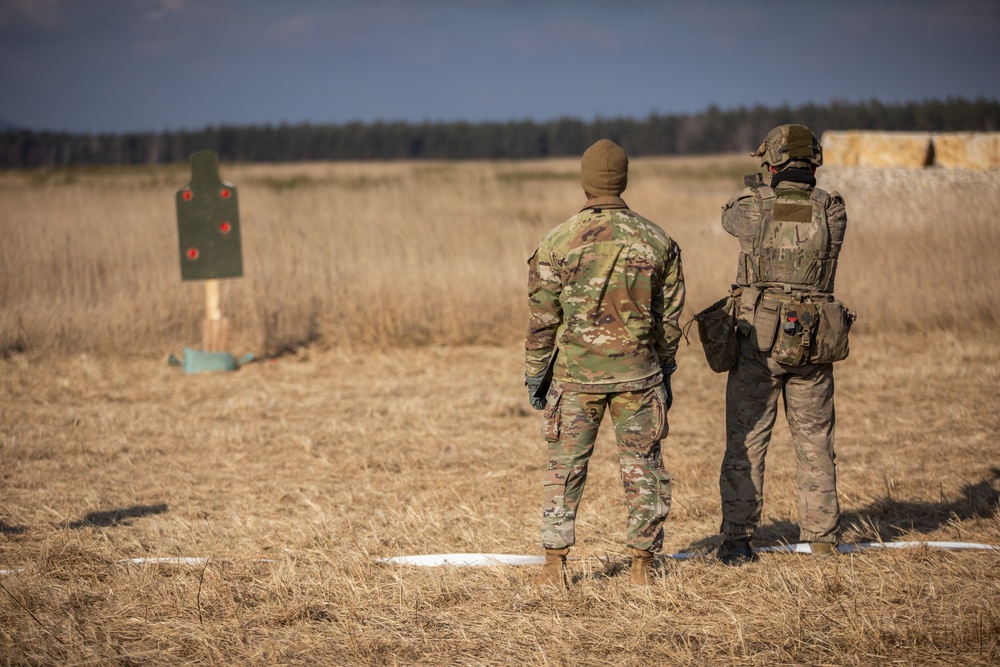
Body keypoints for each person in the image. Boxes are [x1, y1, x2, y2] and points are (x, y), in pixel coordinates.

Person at [525, 139, 685, 586]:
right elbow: (668, 321)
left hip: (575, 378)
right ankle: (642, 568)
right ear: (624, 179)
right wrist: (665, 370)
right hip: (639, 374)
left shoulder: (558, 240)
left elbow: (542, 321)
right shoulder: (658, 240)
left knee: (565, 469)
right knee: (644, 467)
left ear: (585, 181)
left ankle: (555, 567)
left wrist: (536, 373)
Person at [717, 124, 851, 564]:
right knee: (815, 442)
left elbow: (728, 216)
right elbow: (802, 218)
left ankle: (738, 540)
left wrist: (761, 186)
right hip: (814, 340)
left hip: (760, 340)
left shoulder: (751, 207)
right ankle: (823, 539)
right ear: (814, 163)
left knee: (747, 440)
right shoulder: (832, 210)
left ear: (772, 162)